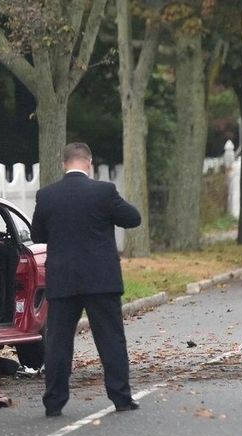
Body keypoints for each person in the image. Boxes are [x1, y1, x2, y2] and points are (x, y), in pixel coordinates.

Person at [31, 142, 141, 417]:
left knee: (58, 343)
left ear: (63, 164)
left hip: (63, 279)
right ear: (88, 163)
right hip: (101, 279)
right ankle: (121, 397)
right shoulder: (104, 192)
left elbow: (37, 235)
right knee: (111, 340)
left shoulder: (47, 196)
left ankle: (54, 403)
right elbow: (132, 218)